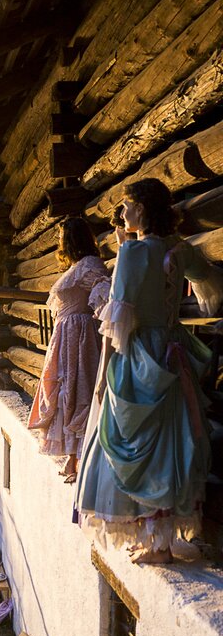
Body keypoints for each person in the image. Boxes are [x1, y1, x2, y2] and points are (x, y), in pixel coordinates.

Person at [76, 178, 223, 564]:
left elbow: (119, 318)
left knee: (132, 440)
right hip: (172, 352)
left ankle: (156, 543)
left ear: (141, 208)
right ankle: (161, 539)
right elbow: (209, 282)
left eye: (126, 206)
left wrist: (105, 369)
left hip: (139, 353)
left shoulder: (133, 253)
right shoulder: (179, 249)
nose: (123, 214)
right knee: (171, 442)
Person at [28, 217, 111, 481]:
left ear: (71, 239)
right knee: (65, 391)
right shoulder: (77, 266)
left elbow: (104, 294)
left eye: (62, 236)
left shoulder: (89, 265)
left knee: (76, 391)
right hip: (66, 336)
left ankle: (79, 458)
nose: (59, 242)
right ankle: (72, 458)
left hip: (79, 337)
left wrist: (99, 322)